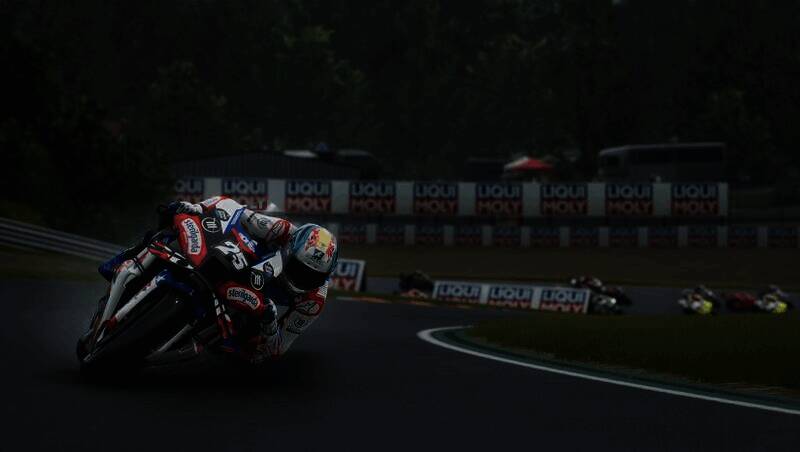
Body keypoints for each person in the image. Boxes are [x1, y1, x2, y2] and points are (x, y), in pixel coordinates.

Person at [98, 195, 338, 364]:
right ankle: (123, 261)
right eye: (298, 268)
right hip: (247, 267)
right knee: (171, 221)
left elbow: (278, 347)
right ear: (290, 248)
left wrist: (269, 323)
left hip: (261, 304)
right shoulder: (282, 229)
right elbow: (235, 210)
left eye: (313, 276)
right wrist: (198, 208)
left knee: (252, 356)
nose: (302, 279)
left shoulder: (314, 301)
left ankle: (203, 339)